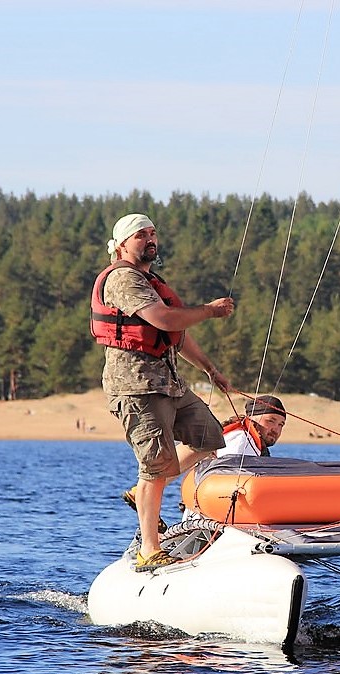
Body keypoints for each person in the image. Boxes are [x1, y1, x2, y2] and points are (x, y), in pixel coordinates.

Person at [91, 213, 235, 571]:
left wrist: (209, 369)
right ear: (122, 244)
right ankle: (149, 550)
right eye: (141, 235)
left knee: (209, 437)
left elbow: (176, 336)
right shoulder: (124, 280)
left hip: (169, 382)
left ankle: (140, 493)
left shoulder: (151, 280)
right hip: (136, 386)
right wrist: (209, 311)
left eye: (153, 233)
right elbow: (166, 320)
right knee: (155, 466)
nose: (150, 239)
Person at [218, 394, 287, 457]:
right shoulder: (241, 440)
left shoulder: (253, 443)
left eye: (280, 424)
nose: (276, 430)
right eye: (270, 421)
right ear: (252, 418)